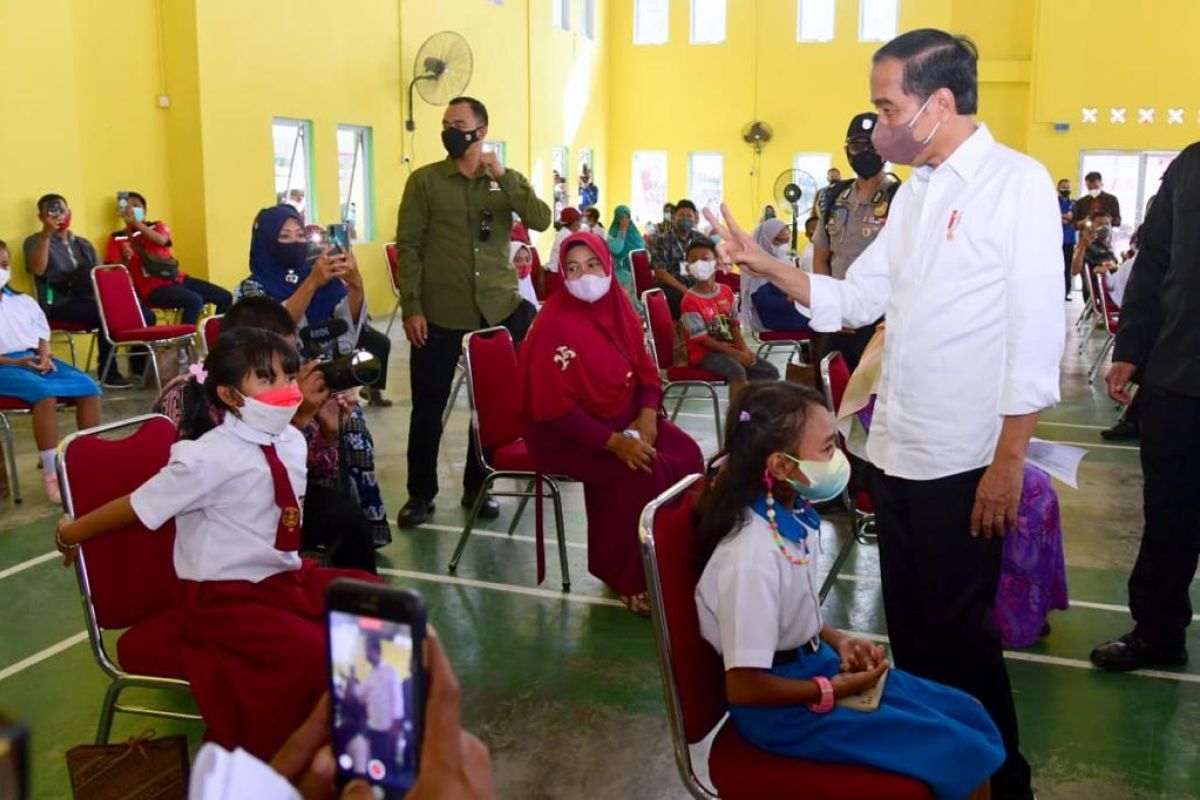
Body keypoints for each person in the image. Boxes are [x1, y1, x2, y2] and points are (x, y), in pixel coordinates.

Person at [705, 29, 1063, 799]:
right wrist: (768, 265)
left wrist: (1008, 464)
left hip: (962, 463)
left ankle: (1004, 782)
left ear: (939, 105)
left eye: (886, 107)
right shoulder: (919, 194)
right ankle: (943, 773)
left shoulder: (1015, 185)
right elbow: (860, 298)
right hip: (895, 453)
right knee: (917, 640)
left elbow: (1034, 343)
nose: (875, 128)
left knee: (964, 644)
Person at [55, 328, 378, 761]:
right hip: (222, 598)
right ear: (229, 395)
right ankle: (287, 761)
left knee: (379, 610)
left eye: (287, 375)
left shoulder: (289, 438)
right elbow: (138, 505)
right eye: (266, 379)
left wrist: (309, 420)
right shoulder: (205, 458)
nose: (285, 388)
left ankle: (357, 740)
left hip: (282, 580)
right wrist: (69, 534)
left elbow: (277, 457)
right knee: (311, 654)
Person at [694, 382, 1004, 800]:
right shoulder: (750, 558)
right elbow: (745, 688)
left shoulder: (788, 512)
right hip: (782, 712)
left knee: (970, 713)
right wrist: (829, 689)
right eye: (826, 449)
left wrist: (839, 640)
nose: (838, 459)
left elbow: (791, 618)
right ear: (781, 467)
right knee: (964, 752)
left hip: (811, 667)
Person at [838, 329, 1068, 648]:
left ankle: (1016, 609)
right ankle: (1008, 614)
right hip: (921, 462)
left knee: (1037, 486)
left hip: (956, 447)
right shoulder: (895, 339)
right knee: (1034, 493)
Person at [518, 232, 703, 614]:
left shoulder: (622, 308)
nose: (583, 275)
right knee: (637, 472)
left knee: (686, 455)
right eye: (572, 268)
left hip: (629, 414)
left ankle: (673, 560)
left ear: (607, 265)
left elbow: (647, 374)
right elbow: (553, 408)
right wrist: (615, 442)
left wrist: (648, 415)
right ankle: (627, 576)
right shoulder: (553, 323)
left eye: (592, 265)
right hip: (569, 433)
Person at [395, 96, 550, 527]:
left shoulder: (503, 181)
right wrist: (413, 306)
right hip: (440, 312)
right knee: (428, 406)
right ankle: (420, 494)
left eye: (458, 123)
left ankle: (478, 486)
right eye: (445, 123)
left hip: (496, 308)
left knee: (489, 408)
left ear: (481, 131)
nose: (450, 130)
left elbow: (541, 219)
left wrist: (505, 178)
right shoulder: (425, 182)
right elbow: (409, 247)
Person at [153, 296, 377, 573]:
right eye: (272, 374)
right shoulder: (187, 397)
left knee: (348, 517)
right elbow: (232, 471)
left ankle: (360, 605)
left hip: (274, 500)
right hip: (221, 515)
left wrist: (329, 432)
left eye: (289, 369)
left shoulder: (280, 393)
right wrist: (297, 418)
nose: (286, 378)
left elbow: (310, 474)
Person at [1090, 143, 1199, 673]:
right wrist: (1131, 349)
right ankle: (1158, 632)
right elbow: (1152, 263)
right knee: (1168, 517)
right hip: (1180, 376)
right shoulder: (1189, 168)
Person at [237, 205, 390, 548]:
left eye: (300, 235)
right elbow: (272, 330)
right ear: (264, 241)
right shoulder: (251, 289)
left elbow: (345, 331)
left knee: (353, 429)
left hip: (326, 380)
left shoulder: (325, 283)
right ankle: (303, 523)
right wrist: (311, 282)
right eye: (283, 236)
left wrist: (355, 285)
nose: (294, 242)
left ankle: (356, 529)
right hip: (273, 390)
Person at [186, 630, 497, 800]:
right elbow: (362, 695)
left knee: (381, 770)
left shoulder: (386, 673)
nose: (370, 656)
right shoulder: (379, 673)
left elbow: (381, 697)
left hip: (387, 726)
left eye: (371, 652)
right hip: (378, 726)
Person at [0, 241, 100, 502]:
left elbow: (41, 334)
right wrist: (18, 364)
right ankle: (51, 471)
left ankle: (88, 458)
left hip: (32, 358)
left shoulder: (22, 301)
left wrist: (44, 354)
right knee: (44, 393)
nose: (4, 270)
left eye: (5, 264)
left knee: (88, 387)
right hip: (5, 365)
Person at [23, 193, 154, 388]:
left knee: (145, 315)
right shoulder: (35, 241)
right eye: (52, 211)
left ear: (70, 213)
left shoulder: (82, 243)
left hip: (91, 297)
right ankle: (108, 372)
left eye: (62, 210)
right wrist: (46, 234)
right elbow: (38, 269)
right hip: (59, 303)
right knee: (105, 315)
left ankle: (138, 368)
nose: (58, 215)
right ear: (42, 217)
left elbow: (102, 274)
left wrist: (124, 261)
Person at [813, 112, 902, 372]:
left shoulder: (900, 198)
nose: (865, 153)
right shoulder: (834, 197)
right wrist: (833, 306)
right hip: (837, 317)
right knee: (831, 396)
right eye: (857, 146)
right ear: (847, 151)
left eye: (873, 146)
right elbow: (821, 258)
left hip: (879, 321)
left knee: (871, 403)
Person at [104, 191, 232, 324]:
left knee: (225, 297)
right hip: (152, 289)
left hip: (178, 279)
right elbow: (115, 269)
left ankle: (218, 337)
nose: (131, 210)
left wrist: (137, 224)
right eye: (127, 207)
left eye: (136, 206)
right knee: (194, 301)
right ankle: (185, 341)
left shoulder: (157, 226)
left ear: (144, 210)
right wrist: (125, 259)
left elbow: (161, 240)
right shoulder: (116, 237)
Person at [681, 239, 778, 397]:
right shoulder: (689, 300)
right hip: (704, 354)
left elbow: (734, 325)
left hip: (730, 348)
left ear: (717, 263)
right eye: (693, 260)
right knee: (737, 371)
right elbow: (703, 340)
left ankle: (756, 411)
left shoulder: (726, 291)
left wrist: (745, 350)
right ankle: (738, 417)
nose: (699, 264)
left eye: (705, 259)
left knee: (769, 372)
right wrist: (737, 355)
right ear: (687, 267)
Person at [346, 637, 413, 779]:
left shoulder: (390, 672)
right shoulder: (370, 674)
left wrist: (396, 724)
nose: (366, 654)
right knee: (376, 761)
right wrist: (351, 678)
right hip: (373, 725)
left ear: (376, 651)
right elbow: (358, 692)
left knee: (388, 761)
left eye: (367, 651)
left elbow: (397, 700)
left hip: (387, 726)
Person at [740, 219, 810, 334]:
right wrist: (792, 300)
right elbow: (762, 301)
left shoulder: (783, 260)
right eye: (779, 241)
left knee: (823, 316)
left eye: (786, 241)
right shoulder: (757, 264)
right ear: (767, 241)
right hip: (772, 316)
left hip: (790, 310)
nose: (783, 246)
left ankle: (812, 350)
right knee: (820, 321)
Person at [651, 199, 707, 319]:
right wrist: (684, 290)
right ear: (673, 218)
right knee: (673, 296)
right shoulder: (662, 240)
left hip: (696, 283)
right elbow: (660, 272)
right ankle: (678, 330)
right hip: (672, 285)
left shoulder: (701, 239)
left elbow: (709, 265)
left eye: (689, 216)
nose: (685, 218)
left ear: (695, 219)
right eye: (681, 215)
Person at [605, 204, 645, 308]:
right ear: (617, 219)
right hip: (620, 271)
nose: (625, 220)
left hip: (637, 270)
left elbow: (642, 249)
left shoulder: (634, 233)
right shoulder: (612, 234)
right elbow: (616, 249)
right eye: (621, 217)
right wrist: (622, 231)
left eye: (627, 217)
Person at [546, 207, 584, 275]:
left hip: (556, 272)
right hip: (557, 274)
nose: (580, 224)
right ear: (574, 222)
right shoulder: (567, 236)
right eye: (579, 221)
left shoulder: (565, 233)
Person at [1057, 179, 1076, 299]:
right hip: (1055, 241)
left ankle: (1066, 292)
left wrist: (1064, 217)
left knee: (1067, 267)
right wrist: (1065, 217)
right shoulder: (1052, 202)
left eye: (1068, 187)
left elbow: (1073, 218)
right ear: (1058, 188)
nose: (1066, 189)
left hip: (1069, 240)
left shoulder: (1074, 203)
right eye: (1063, 187)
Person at [510, 241, 539, 308]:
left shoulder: (527, 282)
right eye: (517, 260)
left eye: (527, 259)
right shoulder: (503, 289)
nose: (524, 264)